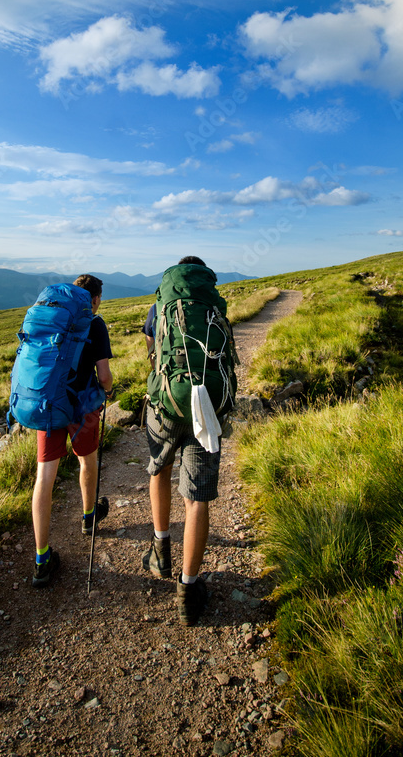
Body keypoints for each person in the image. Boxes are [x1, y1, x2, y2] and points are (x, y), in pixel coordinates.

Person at [142, 256, 234, 625]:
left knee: (159, 470)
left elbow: (153, 351)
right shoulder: (215, 306)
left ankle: (160, 549)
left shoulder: (160, 306)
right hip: (207, 408)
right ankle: (188, 588)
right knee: (196, 499)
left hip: (168, 402)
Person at [32, 274, 114, 588]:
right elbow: (104, 375)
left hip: (49, 405)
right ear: (94, 299)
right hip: (81, 407)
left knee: (45, 476)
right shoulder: (94, 324)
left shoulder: (52, 318)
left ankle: (41, 559)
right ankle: (89, 515)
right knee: (87, 461)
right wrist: (107, 389)